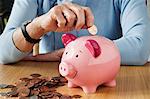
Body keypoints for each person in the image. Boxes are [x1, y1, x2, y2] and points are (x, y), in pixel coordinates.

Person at [0, 0, 150, 65]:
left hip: (108, 82)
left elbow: (140, 48)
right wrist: (38, 26)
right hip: (53, 81)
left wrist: (69, 53)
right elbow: (3, 52)